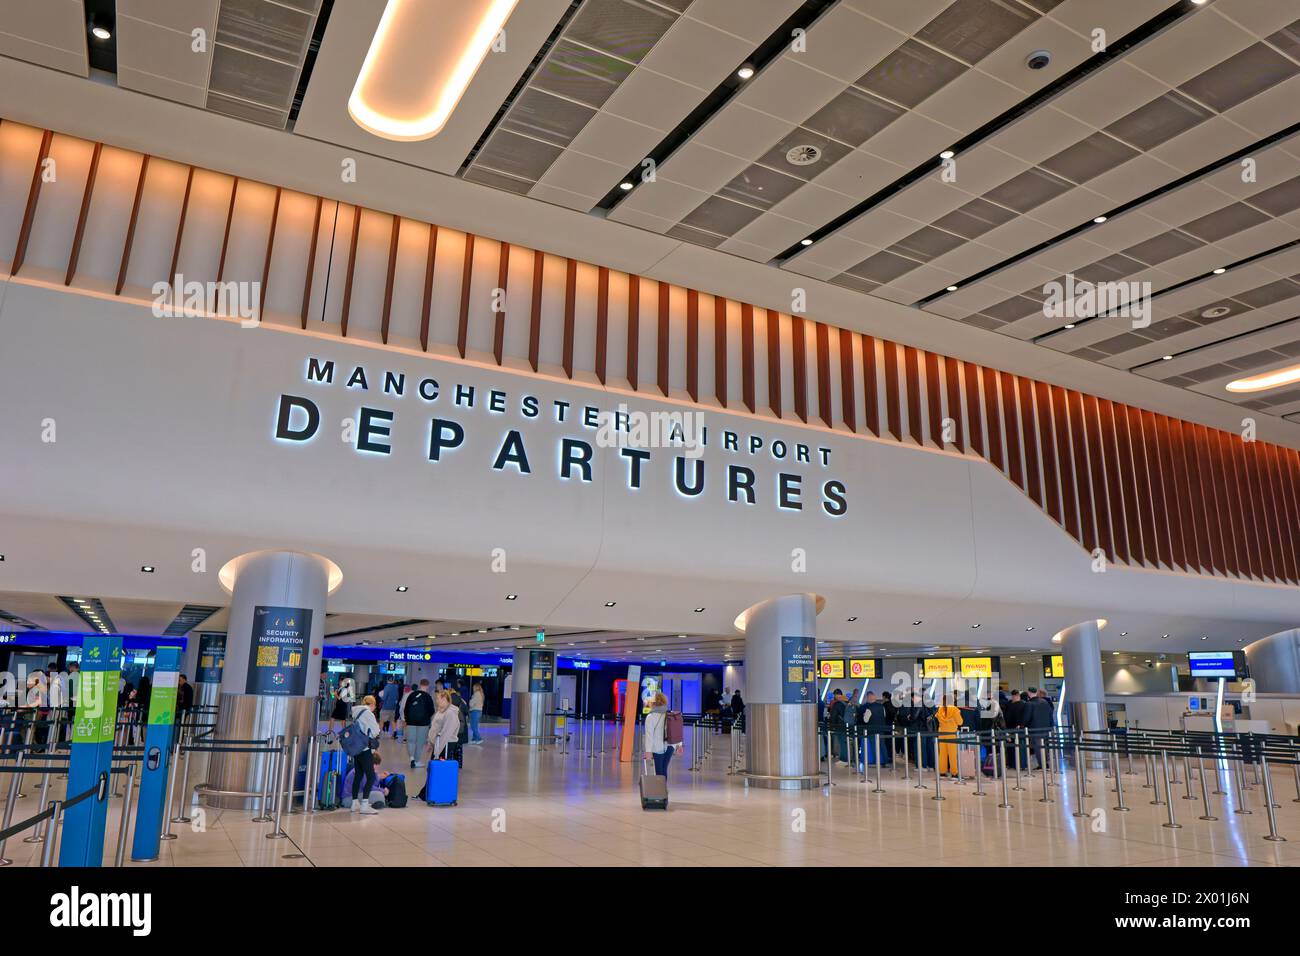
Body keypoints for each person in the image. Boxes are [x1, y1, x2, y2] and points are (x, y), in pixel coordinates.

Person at [349, 695, 382, 814]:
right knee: (371, 776)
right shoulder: (368, 714)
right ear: (372, 704)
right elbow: (376, 730)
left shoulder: (356, 712)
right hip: (365, 748)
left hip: (356, 748)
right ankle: (364, 804)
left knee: (358, 775)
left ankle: (354, 803)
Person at [642, 691, 681, 776]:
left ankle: (661, 789)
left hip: (657, 748)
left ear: (653, 703)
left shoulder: (651, 717)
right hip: (670, 746)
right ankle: (663, 788)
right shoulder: (670, 714)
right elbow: (676, 729)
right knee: (664, 769)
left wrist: (648, 751)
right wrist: (679, 745)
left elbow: (649, 735)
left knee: (659, 771)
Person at [403, 679, 435, 768]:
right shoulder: (428, 696)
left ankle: (412, 758)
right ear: (427, 686)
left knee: (411, 741)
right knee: (420, 742)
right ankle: (416, 761)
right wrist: (427, 717)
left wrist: (406, 719)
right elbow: (432, 710)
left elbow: (406, 708)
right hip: (423, 723)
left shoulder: (412, 695)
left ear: (420, 684)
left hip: (411, 722)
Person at [426, 690, 461, 765]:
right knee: (435, 767)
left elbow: (446, 733)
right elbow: (434, 728)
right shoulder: (440, 711)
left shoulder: (450, 713)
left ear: (444, 699)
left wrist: (437, 752)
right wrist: (431, 743)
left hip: (445, 745)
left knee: (440, 768)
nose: (436, 701)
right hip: (438, 745)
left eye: (438, 698)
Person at [934, 694, 962, 778]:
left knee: (942, 753)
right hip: (951, 733)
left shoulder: (940, 709)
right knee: (952, 754)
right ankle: (954, 773)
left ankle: (942, 772)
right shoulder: (955, 709)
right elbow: (960, 722)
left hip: (942, 733)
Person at [862, 691, 891, 766]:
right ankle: (886, 762)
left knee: (874, 747)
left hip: (872, 730)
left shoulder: (869, 708)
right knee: (882, 746)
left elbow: (865, 720)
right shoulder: (882, 707)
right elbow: (884, 716)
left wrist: (864, 715)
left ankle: (876, 762)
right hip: (881, 730)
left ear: (869, 698)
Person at [446, 683, 470, 765]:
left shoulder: (447, 700)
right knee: (459, 745)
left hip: (451, 726)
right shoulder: (462, 700)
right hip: (461, 726)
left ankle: (450, 761)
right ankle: (459, 763)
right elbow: (467, 712)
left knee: (451, 744)